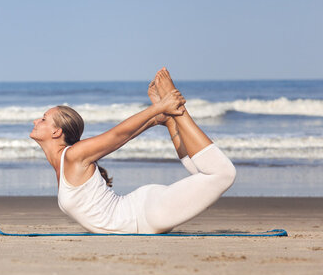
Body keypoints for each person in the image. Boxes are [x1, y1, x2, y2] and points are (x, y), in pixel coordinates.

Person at [29, 68, 236, 234]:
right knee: (205, 175)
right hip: (146, 212)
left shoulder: (74, 155)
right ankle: (172, 121)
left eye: (43, 118)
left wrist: (160, 107)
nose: (36, 121)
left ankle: (177, 107)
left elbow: (117, 136)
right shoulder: (63, 162)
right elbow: (124, 136)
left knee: (223, 174)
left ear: (57, 132)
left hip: (146, 214)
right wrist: (156, 118)